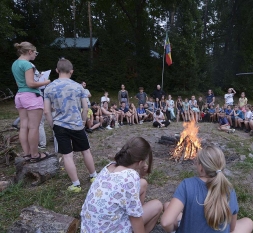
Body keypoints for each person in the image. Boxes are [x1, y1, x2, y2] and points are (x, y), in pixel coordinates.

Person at [161, 146, 253, 233]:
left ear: (201, 168)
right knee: (248, 222)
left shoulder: (187, 184)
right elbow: (232, 228)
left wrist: (175, 229)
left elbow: (166, 222)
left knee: (168, 206)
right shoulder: (229, 189)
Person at [80, 137, 162, 233]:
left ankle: (137, 210)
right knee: (157, 205)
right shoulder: (130, 176)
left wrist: (141, 174)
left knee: (142, 183)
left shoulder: (110, 166)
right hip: (110, 230)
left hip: (89, 228)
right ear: (140, 162)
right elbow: (135, 217)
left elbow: (127, 187)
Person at [44, 58, 97, 192]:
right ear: (71, 71)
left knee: (67, 155)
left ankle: (76, 184)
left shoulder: (49, 87)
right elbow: (85, 108)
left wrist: (53, 125)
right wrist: (84, 121)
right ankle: (93, 176)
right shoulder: (79, 87)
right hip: (77, 124)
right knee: (86, 151)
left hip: (60, 125)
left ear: (57, 70)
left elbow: (46, 111)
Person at [12, 42, 51, 162]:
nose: (35, 55)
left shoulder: (15, 64)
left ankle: (27, 154)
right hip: (31, 96)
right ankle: (35, 155)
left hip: (20, 95)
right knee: (34, 127)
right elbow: (31, 84)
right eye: (35, 52)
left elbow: (20, 83)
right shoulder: (28, 64)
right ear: (30, 52)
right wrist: (46, 82)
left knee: (24, 126)